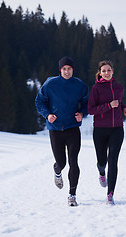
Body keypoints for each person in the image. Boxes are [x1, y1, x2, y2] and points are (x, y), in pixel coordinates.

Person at [35, 56, 89, 207]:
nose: (67, 71)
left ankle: (72, 195)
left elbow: (87, 103)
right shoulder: (50, 83)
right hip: (55, 129)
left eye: (69, 69)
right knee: (61, 162)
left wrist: (81, 113)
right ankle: (57, 171)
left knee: (73, 161)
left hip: (72, 127)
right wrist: (48, 114)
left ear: (73, 70)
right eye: (64, 69)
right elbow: (39, 101)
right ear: (60, 70)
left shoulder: (79, 85)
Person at [88, 60, 126, 205]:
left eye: (109, 70)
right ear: (99, 73)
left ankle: (110, 194)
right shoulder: (96, 89)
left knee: (113, 161)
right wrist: (108, 106)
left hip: (117, 129)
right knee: (102, 161)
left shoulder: (119, 88)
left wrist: (124, 109)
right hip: (100, 130)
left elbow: (119, 102)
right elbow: (91, 110)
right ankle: (101, 172)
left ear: (113, 71)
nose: (106, 73)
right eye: (104, 71)